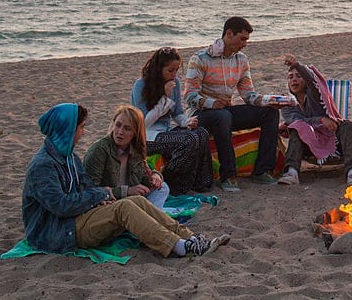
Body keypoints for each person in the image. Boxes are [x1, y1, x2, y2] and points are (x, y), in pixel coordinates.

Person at [22, 102, 228, 258]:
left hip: (78, 217)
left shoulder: (68, 157)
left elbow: (84, 187)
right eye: (81, 127)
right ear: (67, 130)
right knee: (124, 208)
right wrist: (102, 195)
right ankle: (179, 247)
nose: (83, 133)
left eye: (127, 128)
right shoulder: (44, 165)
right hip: (59, 231)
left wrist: (101, 197)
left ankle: (189, 237)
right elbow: (61, 205)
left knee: (136, 201)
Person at [183, 16, 284, 191]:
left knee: (270, 113)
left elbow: (247, 93)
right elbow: (189, 96)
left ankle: (262, 171)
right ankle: (228, 176)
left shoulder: (242, 60)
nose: (245, 44)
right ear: (228, 34)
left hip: (226, 113)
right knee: (223, 116)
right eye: (242, 39)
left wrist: (267, 101)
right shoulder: (199, 58)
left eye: (247, 40)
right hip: (201, 115)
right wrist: (211, 103)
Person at [132, 46, 214, 194]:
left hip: (165, 131)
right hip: (147, 136)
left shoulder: (174, 83)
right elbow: (143, 122)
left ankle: (201, 183)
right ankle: (172, 183)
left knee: (201, 133)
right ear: (158, 69)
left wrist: (186, 122)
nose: (174, 74)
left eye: (176, 70)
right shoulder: (141, 85)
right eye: (170, 70)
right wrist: (165, 97)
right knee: (188, 139)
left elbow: (178, 113)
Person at [277, 54, 352, 187]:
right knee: (297, 127)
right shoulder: (287, 103)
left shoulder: (315, 95)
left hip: (334, 143)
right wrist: (321, 120)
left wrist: (297, 66)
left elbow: (312, 81)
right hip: (308, 146)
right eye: (290, 77)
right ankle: (292, 172)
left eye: (298, 76)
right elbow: (297, 120)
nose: (294, 80)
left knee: (347, 124)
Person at [84, 105, 169, 209]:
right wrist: (127, 191)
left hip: (131, 200)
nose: (120, 132)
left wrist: (155, 177)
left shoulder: (135, 150)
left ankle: (151, 218)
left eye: (127, 129)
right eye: (118, 125)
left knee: (162, 188)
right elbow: (91, 191)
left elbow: (145, 174)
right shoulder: (99, 150)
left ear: (135, 133)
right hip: (108, 204)